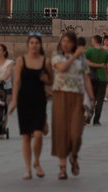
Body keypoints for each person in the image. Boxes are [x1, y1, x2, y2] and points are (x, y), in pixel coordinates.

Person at [51, 31, 94, 180]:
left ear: (74, 43)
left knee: (76, 133)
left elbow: (86, 78)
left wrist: (92, 97)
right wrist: (74, 56)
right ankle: (62, 169)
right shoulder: (56, 56)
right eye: (63, 41)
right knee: (61, 132)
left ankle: (74, 155)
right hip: (60, 96)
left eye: (69, 41)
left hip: (77, 97)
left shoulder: (82, 59)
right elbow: (61, 68)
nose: (66, 44)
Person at [10, 34, 52, 180]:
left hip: (40, 100)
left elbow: (51, 80)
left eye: (36, 43)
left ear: (40, 45)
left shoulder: (45, 62)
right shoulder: (21, 61)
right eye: (31, 43)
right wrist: (14, 101)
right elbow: (16, 82)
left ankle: (37, 161)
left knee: (39, 134)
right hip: (24, 100)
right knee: (26, 136)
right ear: (28, 45)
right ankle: (27, 168)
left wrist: (47, 80)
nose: (34, 45)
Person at [84, 35, 108, 125]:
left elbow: (84, 61)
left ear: (94, 41)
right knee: (100, 100)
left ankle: (89, 115)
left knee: (92, 98)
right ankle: (96, 120)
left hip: (92, 77)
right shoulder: (105, 52)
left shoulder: (89, 51)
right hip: (102, 77)